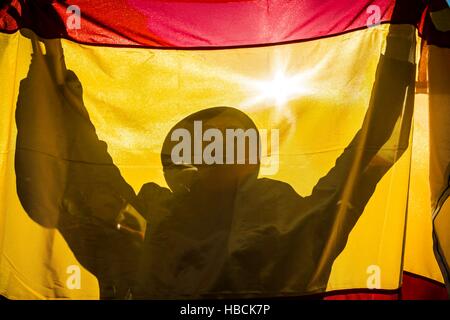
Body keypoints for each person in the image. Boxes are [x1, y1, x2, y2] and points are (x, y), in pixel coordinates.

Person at [15, 24, 416, 298]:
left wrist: (400, 36)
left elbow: (370, 147)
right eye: (208, 144)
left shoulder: (299, 222)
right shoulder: (142, 222)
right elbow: (84, 167)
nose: (217, 152)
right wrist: (50, 67)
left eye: (228, 142)